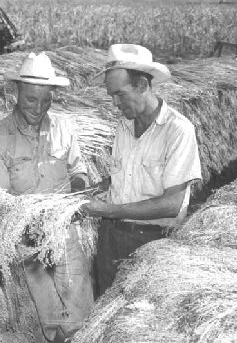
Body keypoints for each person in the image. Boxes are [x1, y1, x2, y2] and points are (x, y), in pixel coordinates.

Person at [0, 52, 93, 343]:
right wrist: (31, 222)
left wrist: (76, 191)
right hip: (29, 244)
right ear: (17, 93)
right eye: (31, 99)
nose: (38, 108)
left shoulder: (63, 128)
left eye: (46, 100)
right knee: (53, 320)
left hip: (66, 233)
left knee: (79, 313)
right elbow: (1, 200)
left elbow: (79, 169)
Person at [82, 44, 202, 297]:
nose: (114, 103)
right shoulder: (124, 126)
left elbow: (172, 204)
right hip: (111, 238)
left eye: (120, 94)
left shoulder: (177, 131)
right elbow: (127, 175)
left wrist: (108, 210)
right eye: (111, 95)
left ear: (142, 86)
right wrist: (101, 187)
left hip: (151, 242)